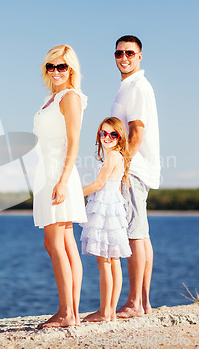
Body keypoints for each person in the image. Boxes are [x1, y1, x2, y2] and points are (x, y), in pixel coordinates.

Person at [33, 44, 88, 328]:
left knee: (54, 243)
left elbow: (74, 141)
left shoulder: (70, 97)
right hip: (47, 173)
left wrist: (63, 180)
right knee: (65, 244)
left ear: (71, 69)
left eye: (61, 66)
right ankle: (72, 312)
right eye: (50, 66)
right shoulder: (51, 99)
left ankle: (67, 312)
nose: (55, 72)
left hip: (58, 174)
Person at [110, 35, 161, 318]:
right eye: (119, 53)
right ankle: (142, 301)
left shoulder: (138, 87)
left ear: (140, 56)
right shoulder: (127, 87)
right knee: (141, 233)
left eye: (130, 53)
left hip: (133, 170)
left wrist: (122, 166)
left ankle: (134, 303)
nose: (124, 58)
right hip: (136, 169)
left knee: (134, 234)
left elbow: (137, 132)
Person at [80, 117, 132, 322]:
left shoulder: (112, 157)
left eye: (113, 134)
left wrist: (75, 193)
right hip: (113, 208)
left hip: (105, 209)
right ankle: (110, 311)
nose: (107, 137)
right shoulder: (117, 157)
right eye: (103, 133)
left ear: (120, 138)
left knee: (105, 261)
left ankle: (104, 311)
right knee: (113, 261)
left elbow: (100, 183)